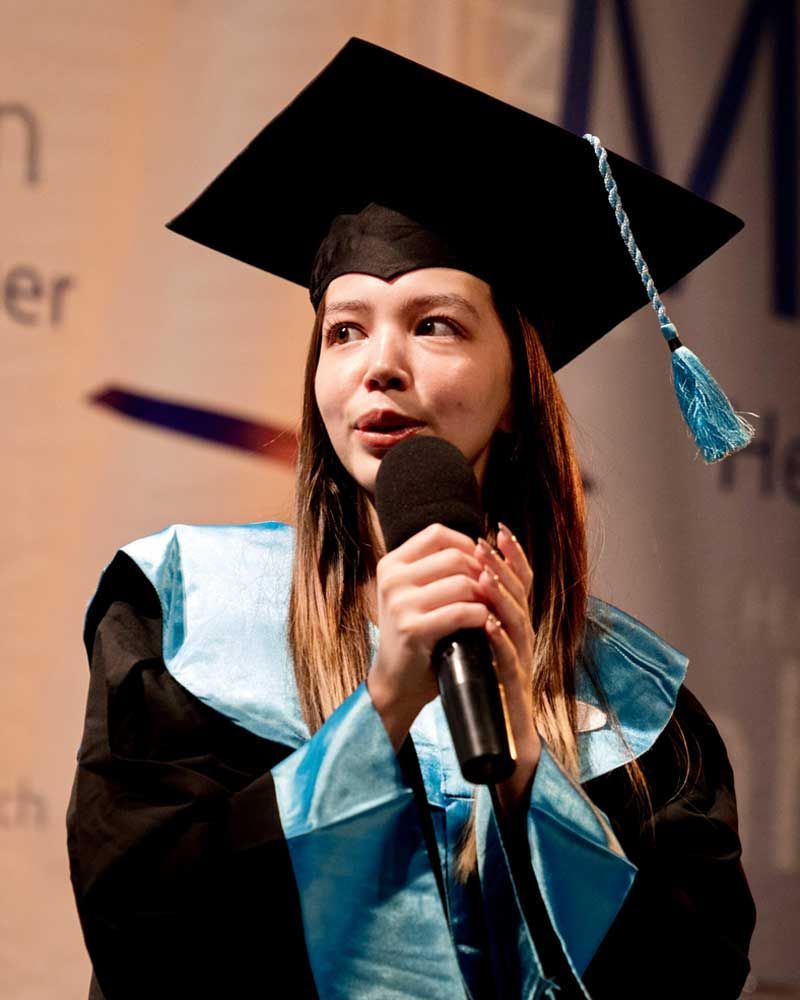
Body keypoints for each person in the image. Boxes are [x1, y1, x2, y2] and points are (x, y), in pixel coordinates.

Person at [67, 38, 756, 1000]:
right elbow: (144, 940)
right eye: (345, 329)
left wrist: (526, 777)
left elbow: (694, 981)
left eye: (434, 323)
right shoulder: (186, 619)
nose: (377, 365)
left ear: (519, 386)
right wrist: (380, 707)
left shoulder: (640, 711)